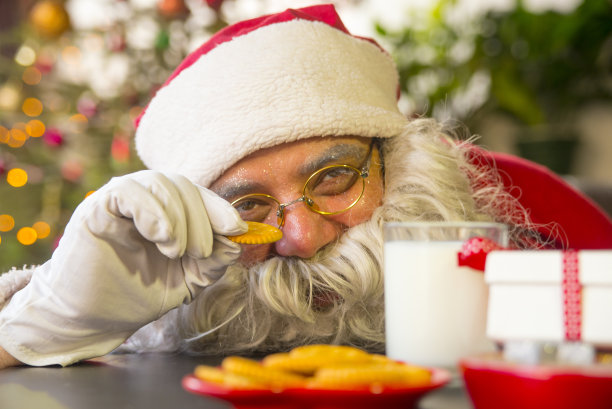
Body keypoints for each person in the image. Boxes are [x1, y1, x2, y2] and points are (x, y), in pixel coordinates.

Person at [1, 4, 611, 369]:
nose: (304, 237)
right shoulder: (129, 276)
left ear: (397, 163)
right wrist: (43, 326)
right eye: (249, 207)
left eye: (337, 177)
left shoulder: (543, 230)